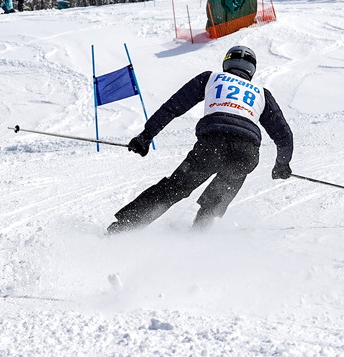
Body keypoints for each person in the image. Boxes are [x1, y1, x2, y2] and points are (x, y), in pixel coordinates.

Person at [107, 45, 293, 233]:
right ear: (252, 69)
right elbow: (284, 136)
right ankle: (198, 235)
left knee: (174, 187)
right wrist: (282, 165)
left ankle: (122, 228)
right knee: (225, 187)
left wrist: (146, 136)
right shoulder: (262, 93)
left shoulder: (211, 78)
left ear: (226, 63)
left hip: (212, 146)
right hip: (246, 152)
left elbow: (172, 107)